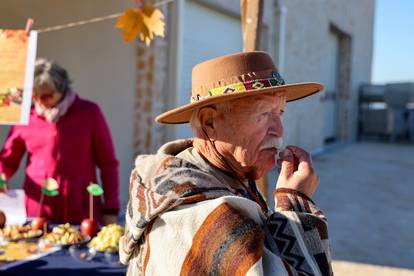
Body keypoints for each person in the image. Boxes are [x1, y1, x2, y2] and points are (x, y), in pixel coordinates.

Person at [120, 52, 332, 275]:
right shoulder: (193, 213)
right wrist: (296, 202)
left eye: (280, 112)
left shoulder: (225, 177)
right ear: (209, 122)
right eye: (263, 114)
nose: (280, 130)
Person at [0, 58, 120, 225]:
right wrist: (1, 178)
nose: (41, 101)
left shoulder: (89, 113)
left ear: (62, 89)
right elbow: (7, 160)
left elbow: (108, 164)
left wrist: (110, 209)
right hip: (38, 211)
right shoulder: (26, 117)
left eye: (47, 95)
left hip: (82, 211)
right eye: (35, 96)